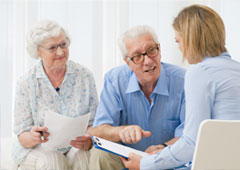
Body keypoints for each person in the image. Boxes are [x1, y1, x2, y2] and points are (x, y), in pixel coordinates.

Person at [121, 4, 240, 170]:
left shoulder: (199, 72)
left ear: (191, 39)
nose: (180, 48)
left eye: (178, 41)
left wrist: (144, 164)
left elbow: (192, 143)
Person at [89, 25, 186, 170]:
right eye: (138, 57)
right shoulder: (115, 80)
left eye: (151, 51)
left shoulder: (184, 80)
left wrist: (164, 148)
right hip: (127, 160)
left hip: (166, 159)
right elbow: (97, 132)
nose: (148, 61)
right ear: (128, 62)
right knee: (99, 153)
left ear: (159, 50)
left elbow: (190, 136)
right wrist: (121, 132)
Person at [12, 20, 98, 170]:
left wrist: (88, 137)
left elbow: (94, 121)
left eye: (63, 44)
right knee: (53, 160)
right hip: (37, 150)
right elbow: (23, 137)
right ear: (38, 51)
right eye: (52, 48)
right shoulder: (26, 83)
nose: (60, 52)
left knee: (83, 156)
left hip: (73, 146)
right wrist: (33, 137)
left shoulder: (84, 76)